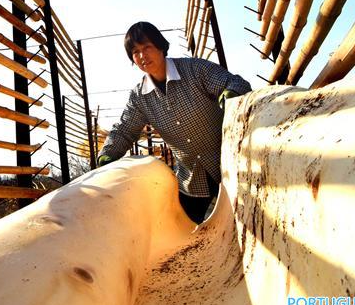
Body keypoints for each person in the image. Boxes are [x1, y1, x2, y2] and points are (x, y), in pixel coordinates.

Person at [97, 22, 252, 223]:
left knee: (244, 222)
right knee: (181, 233)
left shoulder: (195, 70)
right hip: (191, 178)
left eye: (147, 47)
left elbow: (235, 83)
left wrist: (230, 94)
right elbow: (124, 130)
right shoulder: (140, 97)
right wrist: (107, 154)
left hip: (229, 163)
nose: (142, 56)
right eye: (135, 52)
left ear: (161, 46)